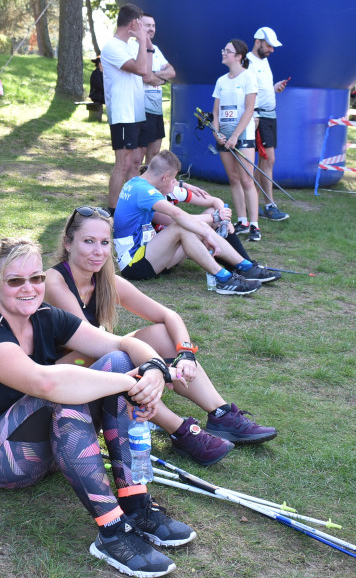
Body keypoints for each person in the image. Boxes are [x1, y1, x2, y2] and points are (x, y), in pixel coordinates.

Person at [0, 237, 195, 577]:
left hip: (44, 447)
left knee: (117, 361)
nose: (29, 288)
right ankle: (112, 533)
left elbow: (121, 344)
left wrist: (152, 369)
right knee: (64, 391)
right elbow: (46, 384)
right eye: (15, 281)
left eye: (36, 278)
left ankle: (135, 503)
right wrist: (130, 384)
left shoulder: (45, 316)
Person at [46, 207, 278, 466]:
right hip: (59, 377)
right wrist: (153, 367)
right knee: (121, 358)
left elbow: (169, 316)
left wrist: (185, 354)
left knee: (160, 336)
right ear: (68, 243)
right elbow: (89, 343)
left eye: (104, 242)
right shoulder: (55, 283)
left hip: (94, 366)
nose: (98, 251)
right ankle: (180, 430)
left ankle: (221, 414)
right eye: (88, 242)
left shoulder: (105, 281)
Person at [114, 150, 271, 295]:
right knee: (181, 227)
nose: (175, 183)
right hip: (133, 264)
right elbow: (176, 214)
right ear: (164, 177)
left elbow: (180, 215)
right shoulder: (144, 190)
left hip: (149, 255)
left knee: (188, 226)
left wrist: (209, 225)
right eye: (174, 179)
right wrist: (207, 232)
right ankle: (225, 277)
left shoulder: (136, 183)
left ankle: (243, 268)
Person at [101, 4, 152, 214]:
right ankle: (111, 213)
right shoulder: (112, 46)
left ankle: (131, 206)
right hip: (122, 114)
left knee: (134, 163)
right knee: (122, 164)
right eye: (141, 23)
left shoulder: (129, 46)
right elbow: (141, 69)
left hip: (135, 112)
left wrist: (143, 42)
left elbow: (146, 72)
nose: (144, 28)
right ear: (133, 23)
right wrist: (141, 40)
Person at [213, 39, 261, 242]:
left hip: (242, 136)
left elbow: (249, 109)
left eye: (228, 51)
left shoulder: (248, 77)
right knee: (233, 178)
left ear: (239, 56)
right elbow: (215, 112)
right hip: (224, 137)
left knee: (246, 180)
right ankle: (241, 220)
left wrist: (235, 136)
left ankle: (255, 225)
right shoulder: (221, 81)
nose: (223, 53)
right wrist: (216, 132)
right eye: (224, 49)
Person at [248, 26, 289, 222]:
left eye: (273, 47)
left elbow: (262, 89)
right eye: (268, 46)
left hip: (269, 116)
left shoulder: (263, 61)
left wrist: (275, 88)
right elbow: (248, 90)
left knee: (265, 161)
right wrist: (254, 114)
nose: (271, 50)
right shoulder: (248, 61)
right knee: (268, 159)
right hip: (259, 117)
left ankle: (255, 204)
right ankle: (269, 205)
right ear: (257, 42)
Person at [140, 14, 176, 164]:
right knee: (137, 158)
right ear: (138, 26)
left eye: (153, 26)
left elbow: (172, 72)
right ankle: (134, 187)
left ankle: (148, 186)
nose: (151, 29)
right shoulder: (132, 48)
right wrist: (161, 78)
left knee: (154, 153)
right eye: (147, 25)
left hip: (156, 110)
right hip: (140, 110)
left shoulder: (156, 49)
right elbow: (145, 78)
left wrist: (154, 75)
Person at [87, 54, 105, 121]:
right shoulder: (95, 74)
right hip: (96, 95)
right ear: (99, 64)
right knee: (112, 100)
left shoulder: (103, 73)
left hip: (102, 94)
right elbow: (100, 86)